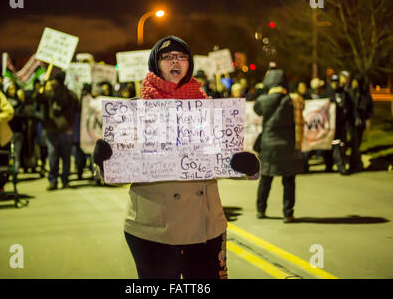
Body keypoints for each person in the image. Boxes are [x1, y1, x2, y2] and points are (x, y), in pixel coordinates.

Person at [93, 35, 259, 279]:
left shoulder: (211, 108)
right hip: (153, 230)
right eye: (167, 57)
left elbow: (227, 160)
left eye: (182, 57)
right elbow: (118, 174)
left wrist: (247, 165)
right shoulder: (133, 112)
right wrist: (104, 162)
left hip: (206, 229)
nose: (176, 61)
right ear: (155, 64)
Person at [254, 69, 305, 223]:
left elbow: (257, 110)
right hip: (288, 145)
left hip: (268, 146)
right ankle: (288, 213)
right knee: (289, 180)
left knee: (266, 179)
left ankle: (261, 210)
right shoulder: (293, 100)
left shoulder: (263, 100)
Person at [37, 71, 78, 190]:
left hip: (63, 130)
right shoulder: (51, 94)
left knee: (60, 157)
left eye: (54, 81)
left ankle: (58, 180)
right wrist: (42, 87)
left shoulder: (68, 95)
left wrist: (45, 88)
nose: (52, 83)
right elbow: (38, 99)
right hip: (54, 130)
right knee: (56, 157)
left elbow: (73, 104)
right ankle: (58, 180)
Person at [347, 74, 373, 173]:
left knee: (358, 143)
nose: (354, 84)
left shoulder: (365, 94)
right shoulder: (349, 93)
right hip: (351, 121)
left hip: (361, 121)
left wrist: (367, 119)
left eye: (356, 82)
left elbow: (370, 107)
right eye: (353, 82)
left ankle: (354, 163)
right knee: (354, 143)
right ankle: (355, 163)